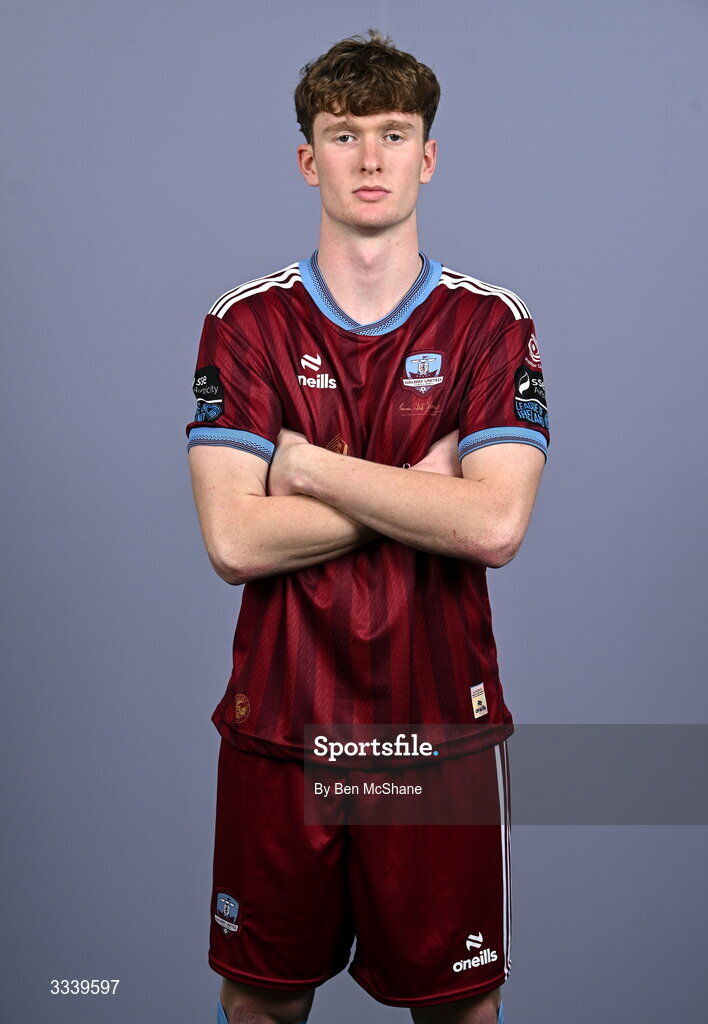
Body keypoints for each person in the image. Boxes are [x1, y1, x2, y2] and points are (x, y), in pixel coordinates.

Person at [186, 29, 549, 1024]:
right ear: (309, 159)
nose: (373, 158)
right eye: (344, 135)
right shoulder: (246, 325)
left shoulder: (491, 325)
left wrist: (305, 467)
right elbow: (233, 542)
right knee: (260, 1000)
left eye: (395, 134)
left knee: (460, 1008)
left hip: (436, 738)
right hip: (283, 730)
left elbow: (495, 523)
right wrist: (413, 490)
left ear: (429, 155)